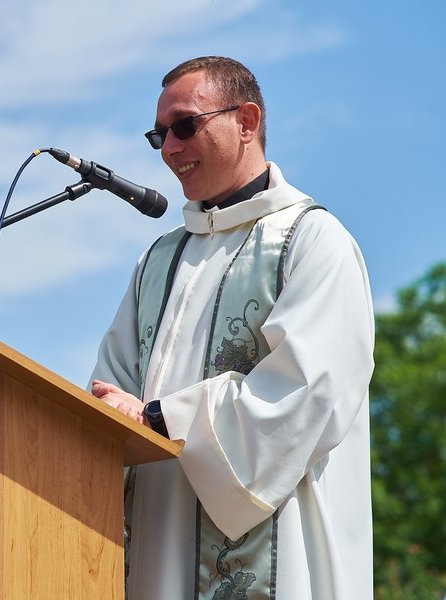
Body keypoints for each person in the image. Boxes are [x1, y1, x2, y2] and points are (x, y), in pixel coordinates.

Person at [90, 56, 374, 599]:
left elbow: (305, 392)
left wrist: (159, 417)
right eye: (159, 136)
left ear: (246, 121)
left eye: (184, 126)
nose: (169, 149)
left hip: (276, 550)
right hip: (153, 548)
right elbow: (110, 392)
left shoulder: (312, 241)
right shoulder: (158, 262)